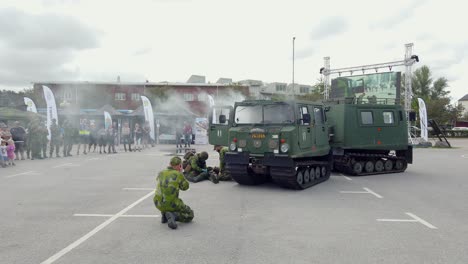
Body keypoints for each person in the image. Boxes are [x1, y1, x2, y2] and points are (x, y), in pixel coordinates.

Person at [154, 156, 194, 230]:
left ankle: (164, 214)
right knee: (190, 215)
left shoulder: (161, 172)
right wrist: (182, 173)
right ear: (179, 165)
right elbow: (185, 187)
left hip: (158, 203)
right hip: (172, 204)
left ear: (170, 164)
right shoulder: (178, 174)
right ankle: (173, 215)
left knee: (165, 196)